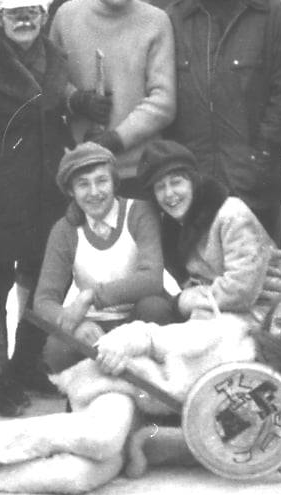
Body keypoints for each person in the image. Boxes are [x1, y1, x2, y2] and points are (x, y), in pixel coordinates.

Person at [0, 291, 281, 495]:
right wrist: (119, 347)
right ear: (268, 324)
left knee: (76, 478)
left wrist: (148, 442)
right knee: (100, 437)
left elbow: (236, 451)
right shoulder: (233, 335)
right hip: (126, 388)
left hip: (150, 428)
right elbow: (153, 335)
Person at [0, 0, 77, 400]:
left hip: (48, 194)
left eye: (33, 14)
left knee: (45, 281)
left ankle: (27, 362)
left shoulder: (57, 61)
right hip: (2, 196)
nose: (24, 21)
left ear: (45, 18)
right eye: (15, 14)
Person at [165, 0, 281, 246]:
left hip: (256, 183)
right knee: (204, 285)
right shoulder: (176, 17)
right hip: (197, 184)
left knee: (265, 281)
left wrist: (260, 154)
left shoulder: (272, 14)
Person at [50, 0, 176, 198]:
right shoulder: (67, 16)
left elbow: (163, 101)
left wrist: (114, 140)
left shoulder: (156, 22)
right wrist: (76, 100)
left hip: (137, 169)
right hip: (81, 168)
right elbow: (50, 80)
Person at [34, 143, 177, 373]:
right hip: (96, 325)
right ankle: (91, 395)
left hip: (137, 315)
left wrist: (91, 296)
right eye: (83, 184)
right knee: (56, 348)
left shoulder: (138, 211)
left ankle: (152, 389)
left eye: (102, 181)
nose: (94, 192)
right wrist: (77, 325)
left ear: (114, 182)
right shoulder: (64, 231)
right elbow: (43, 300)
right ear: (71, 191)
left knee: (155, 309)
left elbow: (152, 278)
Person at [135, 139, 281, 325]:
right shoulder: (172, 233)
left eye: (176, 182)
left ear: (193, 182)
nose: (169, 194)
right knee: (153, 309)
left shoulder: (231, 214)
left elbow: (240, 290)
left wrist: (184, 301)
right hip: (220, 311)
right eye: (160, 187)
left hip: (274, 312)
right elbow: (192, 285)